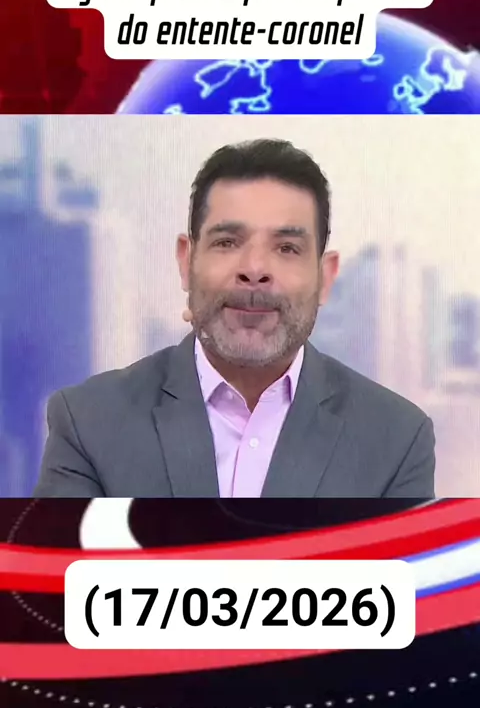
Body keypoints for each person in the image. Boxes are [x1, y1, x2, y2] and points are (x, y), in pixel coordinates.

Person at [34, 138, 435, 498]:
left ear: (325, 278)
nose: (254, 269)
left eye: (287, 248)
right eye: (227, 242)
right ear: (186, 262)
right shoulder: (88, 423)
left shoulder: (396, 441)